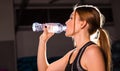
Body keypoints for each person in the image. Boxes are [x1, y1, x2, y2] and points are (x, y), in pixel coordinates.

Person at [37, 4, 111, 71]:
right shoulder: (72, 54)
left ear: (82, 24)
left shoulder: (92, 51)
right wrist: (43, 40)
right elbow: (45, 69)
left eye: (71, 18)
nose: (66, 22)